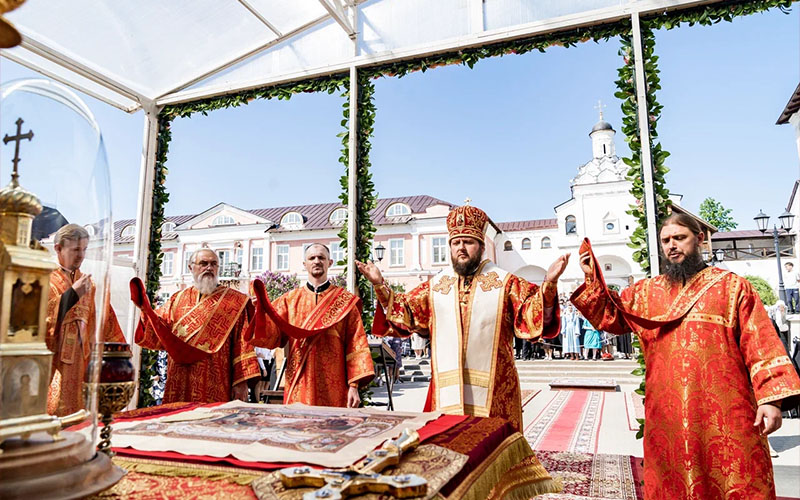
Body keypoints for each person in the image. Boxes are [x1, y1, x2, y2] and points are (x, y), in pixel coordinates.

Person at [572, 213, 800, 499]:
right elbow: (610, 317)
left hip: (728, 414)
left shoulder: (733, 287)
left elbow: (761, 343)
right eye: (666, 240)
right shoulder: (645, 293)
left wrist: (772, 400)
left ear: (699, 240)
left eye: (680, 238)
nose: (672, 246)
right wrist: (592, 276)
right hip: (667, 416)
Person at [357, 204, 568, 432]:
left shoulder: (506, 282)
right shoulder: (436, 285)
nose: (461, 248)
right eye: (456, 243)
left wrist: (549, 284)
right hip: (447, 387)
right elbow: (406, 311)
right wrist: (379, 285)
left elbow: (531, 316)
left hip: (494, 387)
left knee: (493, 447)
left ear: (480, 246)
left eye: (468, 242)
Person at [249, 243, 374, 408]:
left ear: (330, 262)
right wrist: (259, 311)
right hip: (300, 380)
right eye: (312, 258)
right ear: (304, 264)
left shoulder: (344, 302)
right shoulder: (289, 300)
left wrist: (354, 386)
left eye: (321, 257)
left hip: (334, 384)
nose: (317, 261)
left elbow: (356, 345)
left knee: (334, 430)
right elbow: (272, 338)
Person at [130, 248, 259, 403]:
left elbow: (242, 344)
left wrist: (241, 383)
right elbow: (159, 329)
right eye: (203, 263)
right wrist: (145, 311)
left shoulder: (235, 301)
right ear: (190, 267)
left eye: (214, 264)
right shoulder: (177, 299)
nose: (209, 268)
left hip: (215, 379)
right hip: (179, 376)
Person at [46, 224, 126, 416]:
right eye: (75, 249)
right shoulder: (45, 279)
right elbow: (42, 320)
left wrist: (118, 356)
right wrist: (72, 294)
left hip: (81, 363)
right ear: (58, 248)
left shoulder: (89, 284)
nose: (81, 255)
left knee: (80, 417)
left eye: (84, 249)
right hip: (54, 363)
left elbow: (97, 323)